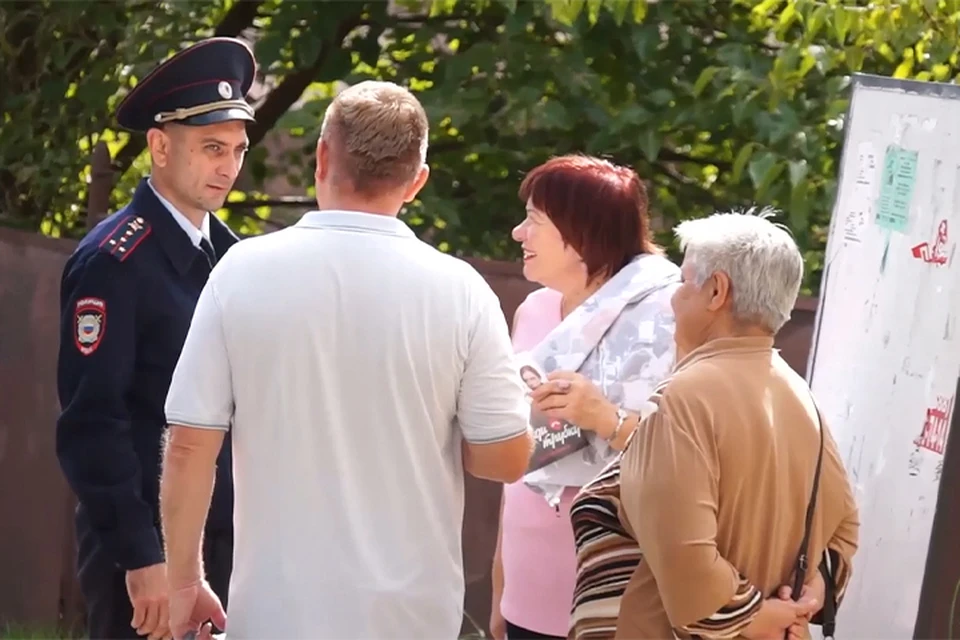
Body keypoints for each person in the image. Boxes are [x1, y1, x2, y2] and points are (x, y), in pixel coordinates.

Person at [158, 80, 535, 640]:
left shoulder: (240, 271)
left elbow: (191, 444)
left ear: (322, 157)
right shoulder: (463, 291)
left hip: (275, 611)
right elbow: (503, 461)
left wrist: (184, 582)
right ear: (417, 182)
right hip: (412, 615)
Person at [571, 209, 859, 639]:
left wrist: (752, 616)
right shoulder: (802, 397)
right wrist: (805, 596)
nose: (672, 298)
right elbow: (844, 530)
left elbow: (687, 562)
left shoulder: (683, 399)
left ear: (716, 291)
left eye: (684, 282)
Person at [54, 37, 255, 640]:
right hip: (144, 551)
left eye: (238, 150)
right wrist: (142, 559)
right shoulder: (113, 262)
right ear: (160, 146)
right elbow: (93, 425)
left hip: (223, 538)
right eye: (212, 148)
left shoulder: (233, 258)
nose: (228, 166)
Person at [490, 154, 680, 640]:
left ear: (580, 234)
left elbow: (688, 455)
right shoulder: (534, 310)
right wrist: (500, 584)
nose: (518, 233)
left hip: (614, 581)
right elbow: (521, 455)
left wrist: (601, 415)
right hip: (526, 576)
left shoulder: (668, 316)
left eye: (533, 221)